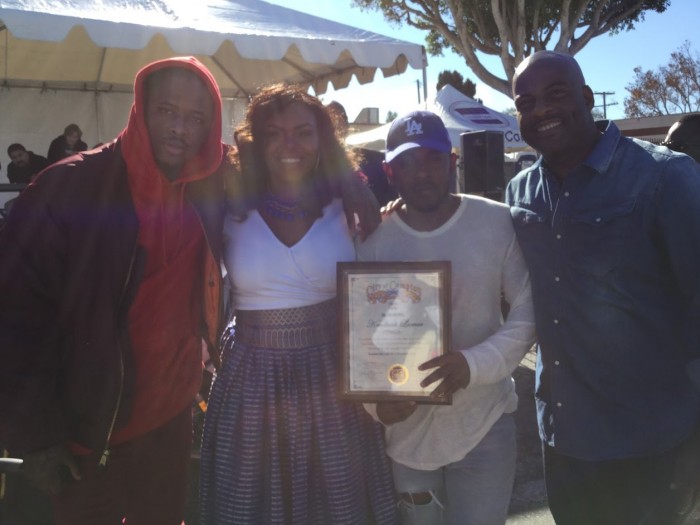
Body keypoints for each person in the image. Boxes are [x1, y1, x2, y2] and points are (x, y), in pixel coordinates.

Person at [0, 56, 229, 524]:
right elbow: (14, 316)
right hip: (88, 432)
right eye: (167, 110)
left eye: (196, 118)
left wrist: (354, 187)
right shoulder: (68, 188)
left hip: (170, 420)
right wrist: (34, 436)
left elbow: (296, 164)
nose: (180, 128)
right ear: (141, 109)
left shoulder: (211, 185)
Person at [505, 50, 700, 525]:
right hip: (564, 439)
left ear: (588, 98)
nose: (541, 110)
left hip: (651, 442)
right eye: (526, 102)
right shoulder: (520, 193)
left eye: (556, 94)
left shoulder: (665, 177)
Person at [199, 84, 398, 524]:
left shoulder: (350, 208)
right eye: (274, 133)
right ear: (254, 141)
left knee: (337, 501)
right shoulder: (229, 203)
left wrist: (350, 181)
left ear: (323, 140)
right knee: (250, 501)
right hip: (251, 379)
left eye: (304, 132)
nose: (290, 145)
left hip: (334, 378)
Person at [357, 110, 536, 525]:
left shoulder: (496, 221)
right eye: (407, 162)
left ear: (452, 161)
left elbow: (527, 311)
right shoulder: (371, 243)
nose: (422, 173)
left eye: (433, 159)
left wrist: (472, 365)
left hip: (483, 425)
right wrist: (375, 407)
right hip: (406, 434)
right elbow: (359, 338)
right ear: (389, 171)